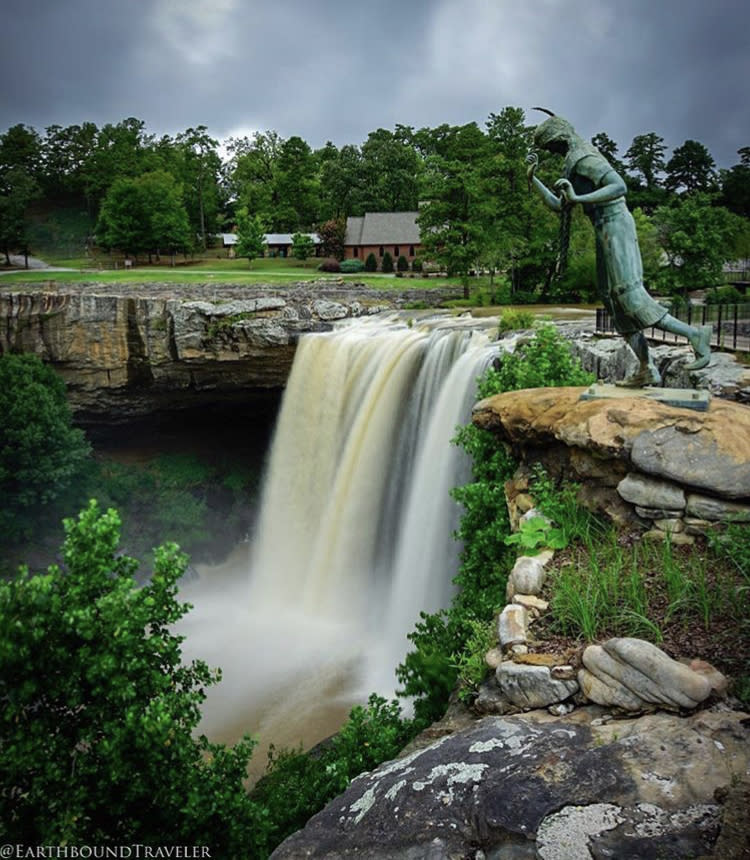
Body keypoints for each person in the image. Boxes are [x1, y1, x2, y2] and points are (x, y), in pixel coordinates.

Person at [526, 111, 711, 386]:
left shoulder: (584, 157)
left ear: (560, 137)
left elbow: (618, 186)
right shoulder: (571, 161)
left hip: (616, 226)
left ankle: (694, 335)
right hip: (603, 232)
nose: (552, 153)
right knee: (614, 304)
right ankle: (646, 368)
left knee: (631, 298)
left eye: (552, 147)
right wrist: (533, 179)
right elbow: (560, 205)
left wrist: (579, 196)